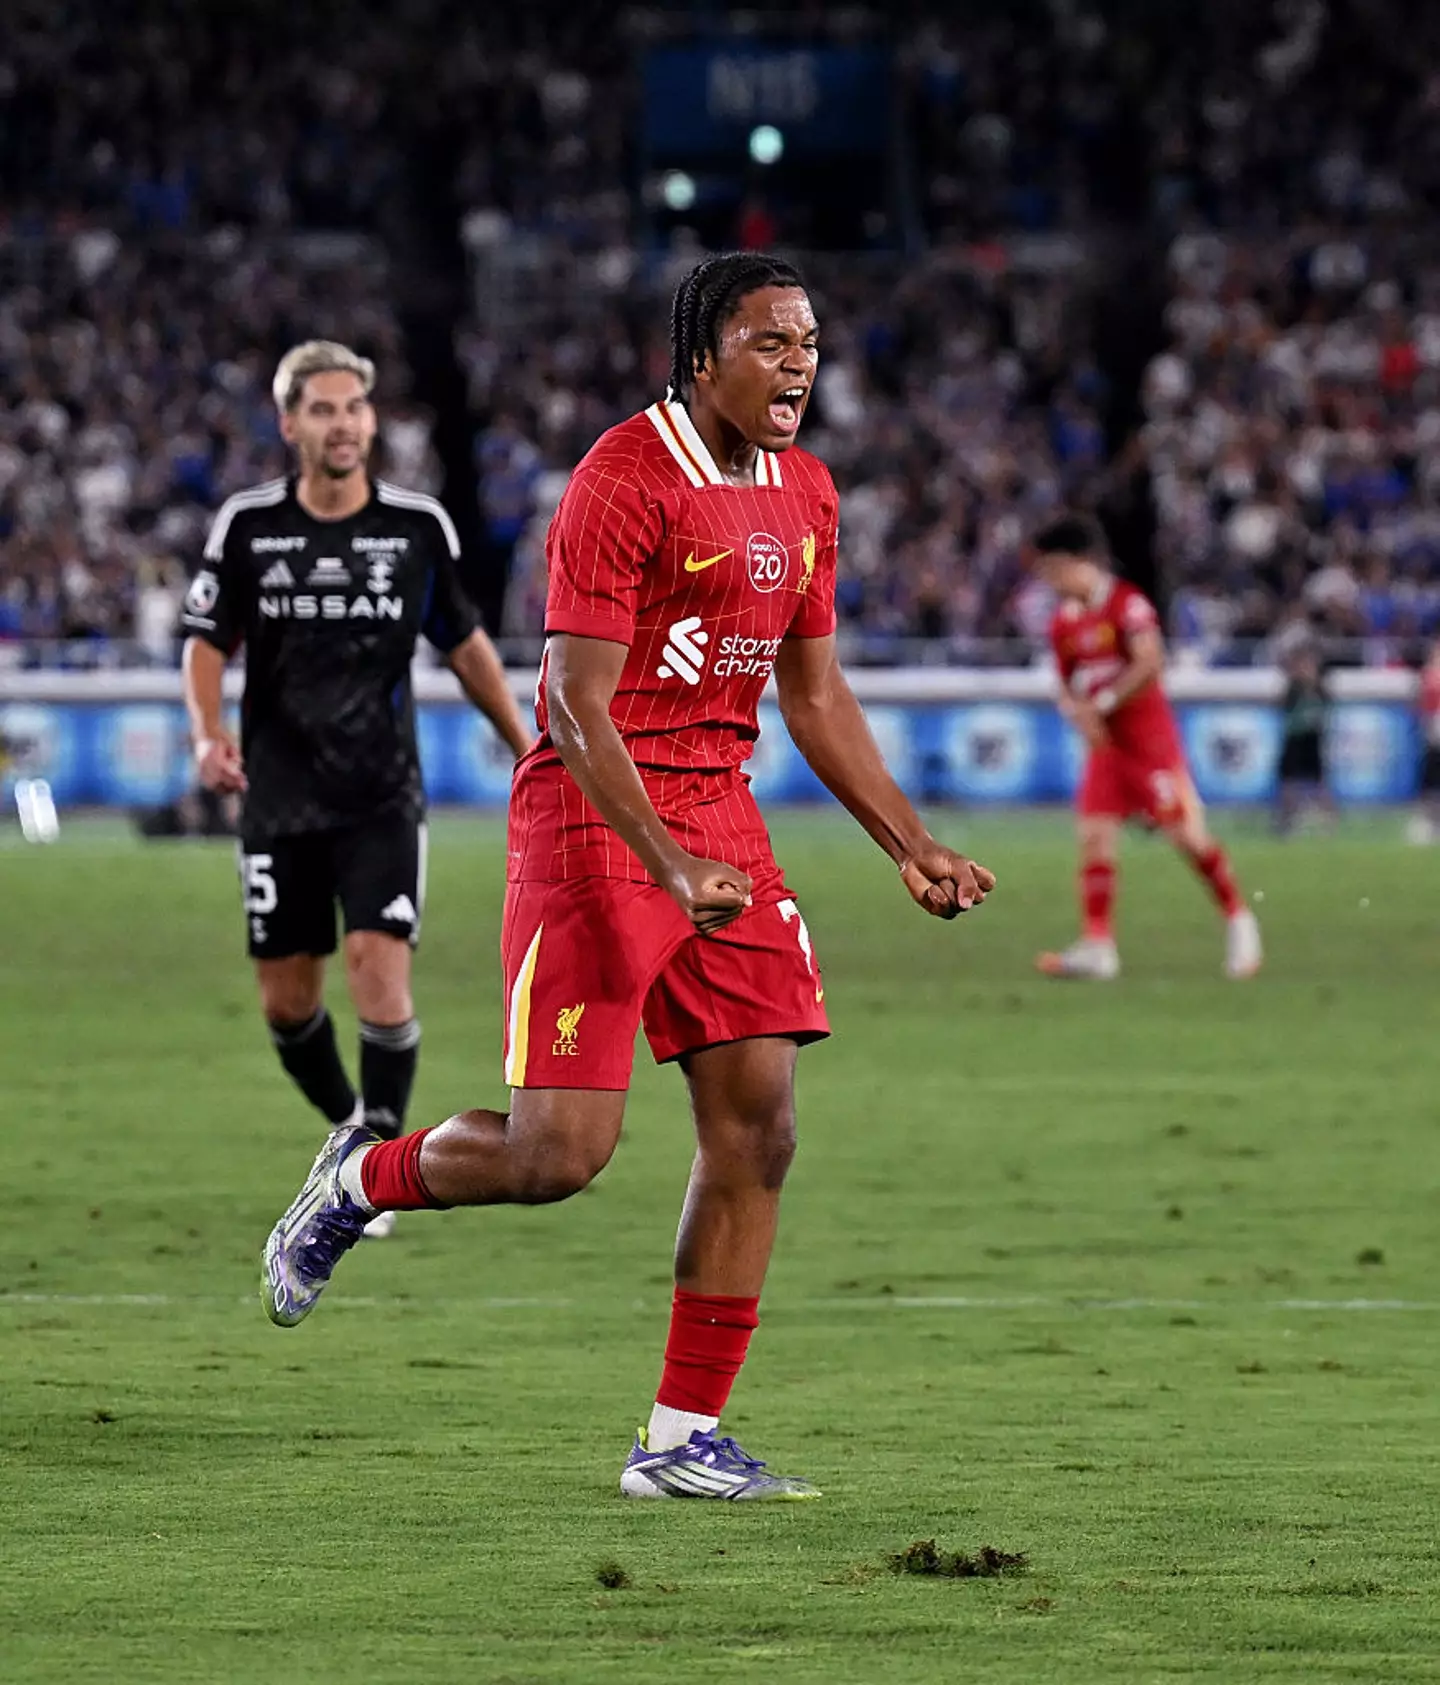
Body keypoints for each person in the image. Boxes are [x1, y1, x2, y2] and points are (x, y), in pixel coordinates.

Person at [260, 254, 997, 1499]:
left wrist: (910, 842)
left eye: (809, 342)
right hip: (599, 819)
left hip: (722, 816)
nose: (799, 364)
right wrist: (665, 860)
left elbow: (812, 692)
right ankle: (358, 1175)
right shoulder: (624, 476)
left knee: (760, 1124)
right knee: (560, 1155)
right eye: (770, 342)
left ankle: (677, 1441)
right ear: (701, 356)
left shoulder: (808, 493)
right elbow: (568, 698)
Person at [181, 340, 533, 1238]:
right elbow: (207, 642)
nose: (344, 424)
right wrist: (208, 733)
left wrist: (528, 744)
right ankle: (346, 1132)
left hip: (381, 794)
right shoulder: (249, 529)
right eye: (325, 410)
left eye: (355, 409)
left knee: (380, 970)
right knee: (287, 1001)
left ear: (372, 421)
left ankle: (375, 1164)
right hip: (280, 797)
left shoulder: (415, 529)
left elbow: (464, 645)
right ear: (292, 424)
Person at [1030, 513, 1261, 981]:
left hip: (1149, 744)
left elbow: (1150, 662)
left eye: (1055, 570)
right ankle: (1099, 945)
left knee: (1187, 837)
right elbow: (1067, 684)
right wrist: (1079, 713)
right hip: (1107, 750)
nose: (1051, 582)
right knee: (1094, 836)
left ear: (1081, 562)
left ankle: (1240, 918)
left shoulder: (1126, 604)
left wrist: (1104, 702)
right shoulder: (1064, 622)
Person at [1274, 644, 1336, 835]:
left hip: (1311, 738)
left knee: (1318, 781)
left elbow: (1327, 706)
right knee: (1289, 780)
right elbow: (1281, 705)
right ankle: (1287, 821)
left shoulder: (1320, 688)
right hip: (1294, 737)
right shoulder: (1293, 688)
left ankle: (1329, 822)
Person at [1408, 636, 1440, 844]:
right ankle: (1428, 823)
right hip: (1434, 738)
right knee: (1430, 783)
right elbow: (1420, 707)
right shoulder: (1428, 677)